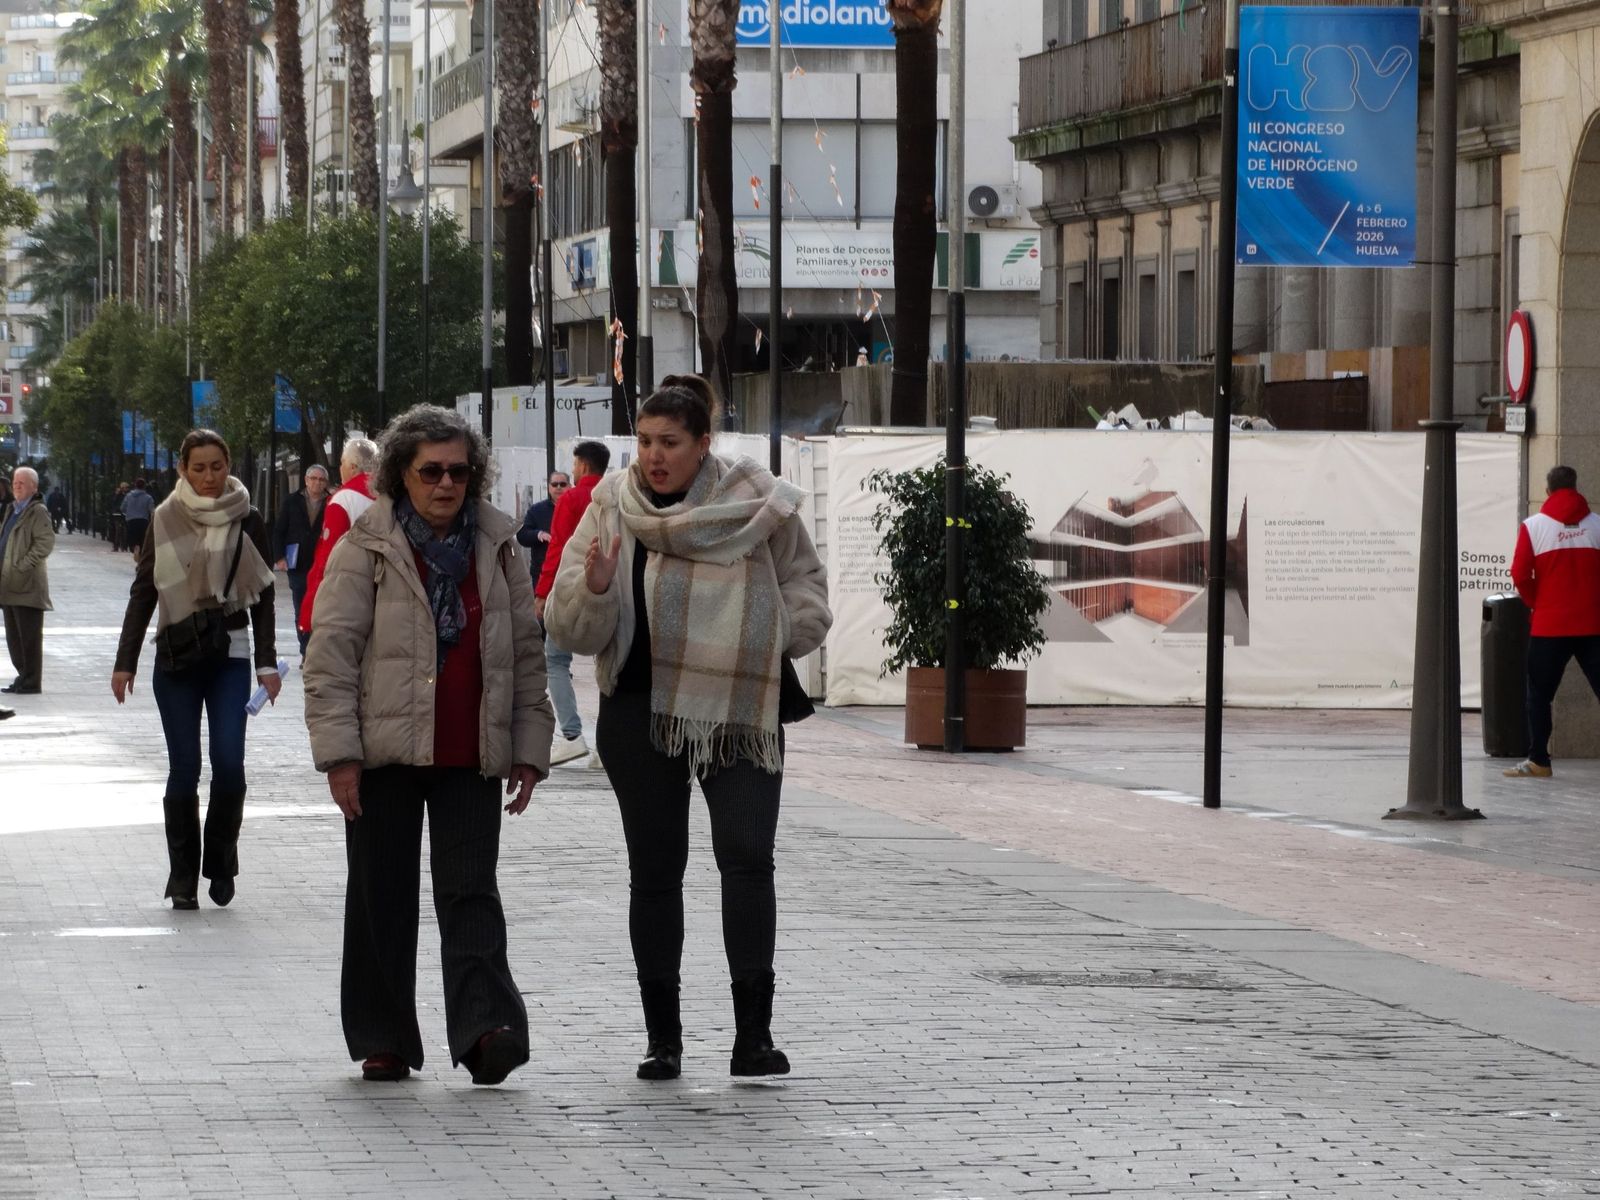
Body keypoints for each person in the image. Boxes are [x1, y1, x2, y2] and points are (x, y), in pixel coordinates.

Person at [545, 375, 831, 1081]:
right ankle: (662, 1040)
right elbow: (565, 624)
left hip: (740, 708)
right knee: (656, 871)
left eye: (670, 443)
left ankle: (753, 1037)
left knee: (746, 856)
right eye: (644, 442)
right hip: (639, 711)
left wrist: (768, 632)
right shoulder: (611, 506)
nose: (654, 456)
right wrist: (600, 586)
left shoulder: (757, 502)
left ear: (704, 444)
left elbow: (809, 592)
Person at [302, 404, 555, 1086]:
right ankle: (383, 1036)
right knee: (381, 894)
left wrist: (530, 748)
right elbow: (330, 657)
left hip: (469, 752)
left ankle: (485, 1031)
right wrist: (340, 755)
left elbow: (526, 654)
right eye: (431, 471)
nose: (446, 484)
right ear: (400, 475)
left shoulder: (499, 546)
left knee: (472, 892)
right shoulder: (367, 546)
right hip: (381, 753)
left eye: (459, 472)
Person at [111, 430, 280, 910]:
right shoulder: (164, 518)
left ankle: (221, 861)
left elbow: (265, 595)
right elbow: (144, 591)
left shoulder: (248, 517)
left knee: (229, 767)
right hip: (177, 657)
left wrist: (267, 661)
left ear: (228, 465)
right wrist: (125, 663)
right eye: (199, 468)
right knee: (184, 770)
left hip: (231, 654)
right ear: (182, 469)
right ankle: (182, 874)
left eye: (217, 466)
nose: (209, 477)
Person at [1504, 464, 1600, 778]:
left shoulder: (1534, 527)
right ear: (1576, 487)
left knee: (1539, 695)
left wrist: (1538, 602)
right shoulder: (1597, 525)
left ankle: (1539, 761)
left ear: (1547, 491)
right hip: (1593, 624)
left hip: (1550, 626)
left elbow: (1519, 574)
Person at [536, 443, 611, 767]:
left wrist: (542, 592)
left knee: (555, 660)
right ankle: (605, 749)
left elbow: (559, 548)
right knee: (609, 666)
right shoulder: (615, 497)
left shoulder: (571, 499)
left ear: (581, 465)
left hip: (570, 592)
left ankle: (571, 736)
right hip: (609, 592)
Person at [299, 437, 378, 638]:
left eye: (342, 463)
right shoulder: (388, 494)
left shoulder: (344, 498)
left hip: (346, 597)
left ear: (352, 466)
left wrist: (310, 611)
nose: (340, 468)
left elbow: (328, 557)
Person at [1, 467, 55, 696]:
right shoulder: (12, 510)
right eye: (15, 482)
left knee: (29, 638)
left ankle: (32, 681)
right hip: (9, 586)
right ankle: (23, 676)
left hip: (27, 587)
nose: (17, 485)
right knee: (14, 639)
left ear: (34, 486)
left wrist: (21, 566)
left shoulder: (37, 511)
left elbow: (44, 543)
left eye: (22, 482)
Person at [273, 464, 330, 659]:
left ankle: (316, 649)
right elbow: (279, 530)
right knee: (300, 607)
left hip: (322, 564)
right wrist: (279, 557)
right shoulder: (292, 501)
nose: (317, 483)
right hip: (296, 563)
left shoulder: (331, 502)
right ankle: (305, 650)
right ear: (306, 480)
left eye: (321, 479)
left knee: (320, 608)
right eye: (313, 478)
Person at [516, 470, 569, 587]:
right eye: (555, 484)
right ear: (549, 488)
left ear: (569, 487)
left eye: (563, 484)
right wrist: (538, 534)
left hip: (569, 574)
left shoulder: (576, 508)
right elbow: (522, 535)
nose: (558, 487)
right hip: (542, 575)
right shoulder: (536, 510)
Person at [121, 478, 156, 555]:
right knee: (142, 540)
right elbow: (152, 510)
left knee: (132, 539)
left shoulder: (128, 496)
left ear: (135, 486)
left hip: (131, 521)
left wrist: (128, 513)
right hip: (143, 521)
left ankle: (134, 549)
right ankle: (141, 553)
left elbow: (123, 508)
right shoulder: (148, 497)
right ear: (144, 486)